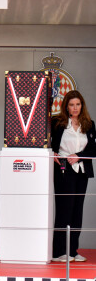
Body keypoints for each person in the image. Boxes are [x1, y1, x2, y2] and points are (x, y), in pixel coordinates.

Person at [51, 90, 96, 262]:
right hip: (63, 170)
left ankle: (72, 250)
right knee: (64, 210)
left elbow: (93, 149)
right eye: (71, 105)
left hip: (81, 171)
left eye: (78, 104)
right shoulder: (57, 123)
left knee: (77, 211)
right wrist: (52, 154)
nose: (75, 108)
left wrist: (78, 155)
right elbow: (49, 145)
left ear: (82, 106)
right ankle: (58, 252)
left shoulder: (89, 124)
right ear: (66, 106)